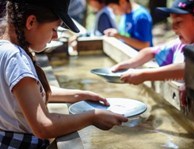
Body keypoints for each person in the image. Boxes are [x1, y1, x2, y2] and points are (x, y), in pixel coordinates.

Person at [0, 0, 128, 148]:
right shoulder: (16, 58)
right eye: (54, 29)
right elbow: (43, 126)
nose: (56, 36)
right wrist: (92, 117)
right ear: (31, 22)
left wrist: (79, 95)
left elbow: (26, 94)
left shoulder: (5, 50)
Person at [111, 0, 194, 85]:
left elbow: (186, 68)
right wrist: (129, 63)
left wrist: (144, 75)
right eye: (172, 22)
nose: (173, 28)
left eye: (179, 22)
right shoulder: (180, 44)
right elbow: (151, 52)